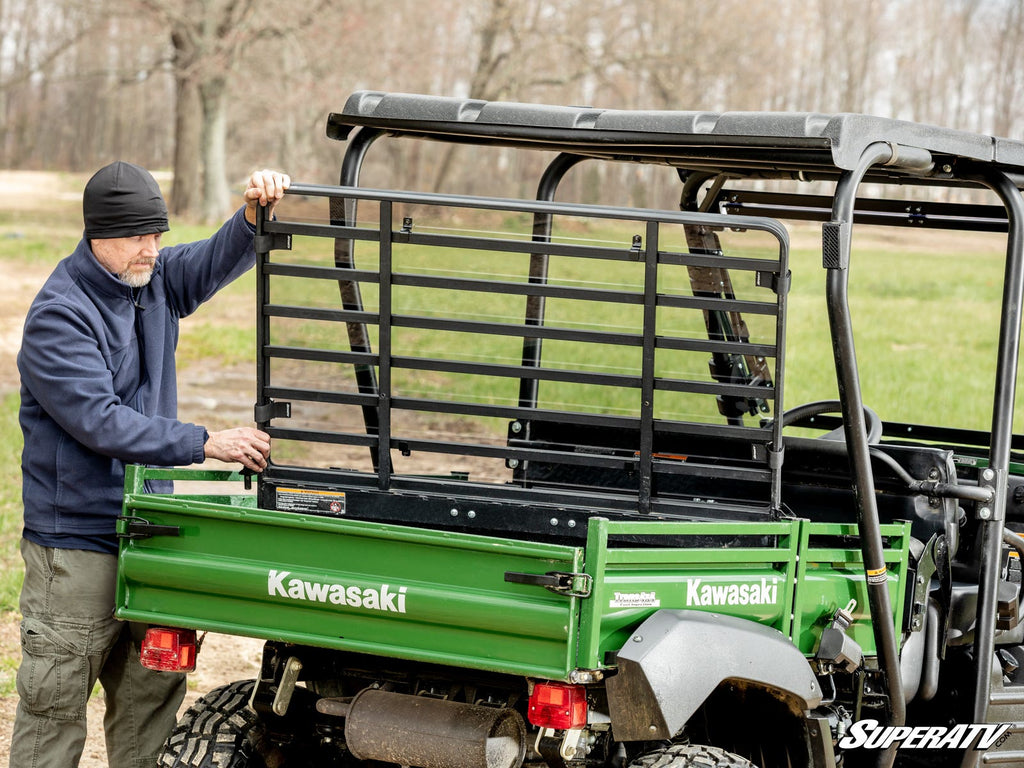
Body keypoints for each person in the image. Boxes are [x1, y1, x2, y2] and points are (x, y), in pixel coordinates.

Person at [9, 162, 290, 768]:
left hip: (151, 533)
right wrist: (204, 442)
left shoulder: (152, 279)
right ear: (98, 236)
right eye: (139, 236)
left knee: (151, 703)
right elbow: (100, 421)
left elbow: (215, 258)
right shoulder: (60, 314)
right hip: (77, 546)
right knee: (54, 707)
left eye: (158, 235)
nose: (152, 249)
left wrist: (251, 214)